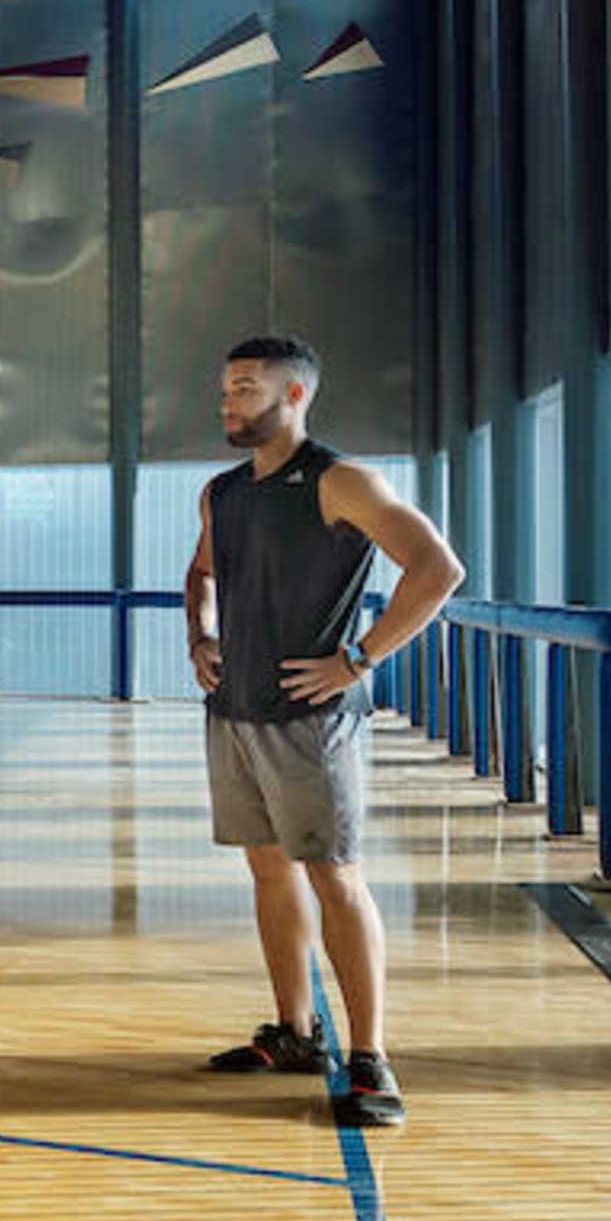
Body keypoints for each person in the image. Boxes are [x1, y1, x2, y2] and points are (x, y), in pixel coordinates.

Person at [183, 334, 462, 1128]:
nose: (228, 402)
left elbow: (437, 569)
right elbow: (202, 572)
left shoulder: (341, 482)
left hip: (311, 718)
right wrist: (200, 637)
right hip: (235, 709)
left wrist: (360, 658)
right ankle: (296, 1032)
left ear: (294, 395)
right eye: (226, 389)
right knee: (269, 874)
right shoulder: (223, 492)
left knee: (333, 876)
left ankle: (370, 1059)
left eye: (244, 388)